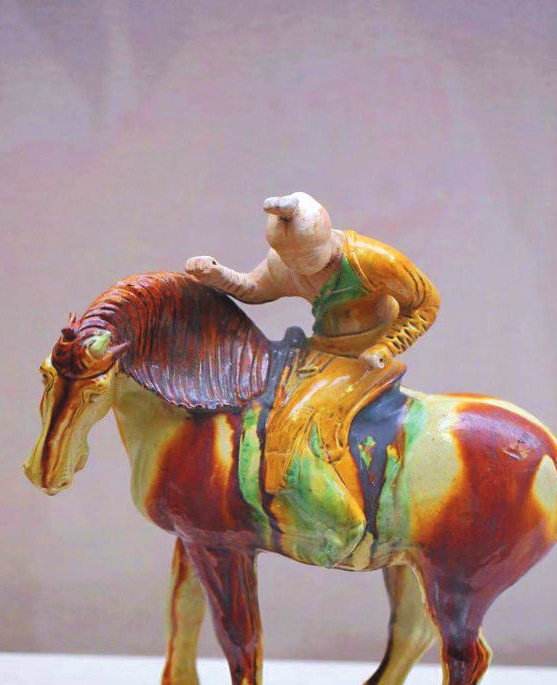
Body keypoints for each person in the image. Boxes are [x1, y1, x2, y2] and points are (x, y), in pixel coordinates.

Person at [186, 192, 440, 565]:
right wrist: (217, 275)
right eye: (293, 262)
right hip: (319, 349)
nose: (301, 270)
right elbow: (255, 288)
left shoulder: (373, 261)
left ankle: (343, 523)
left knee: (292, 425)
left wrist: (388, 346)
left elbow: (426, 304)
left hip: (361, 361)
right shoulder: (287, 263)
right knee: (259, 403)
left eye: (308, 259)